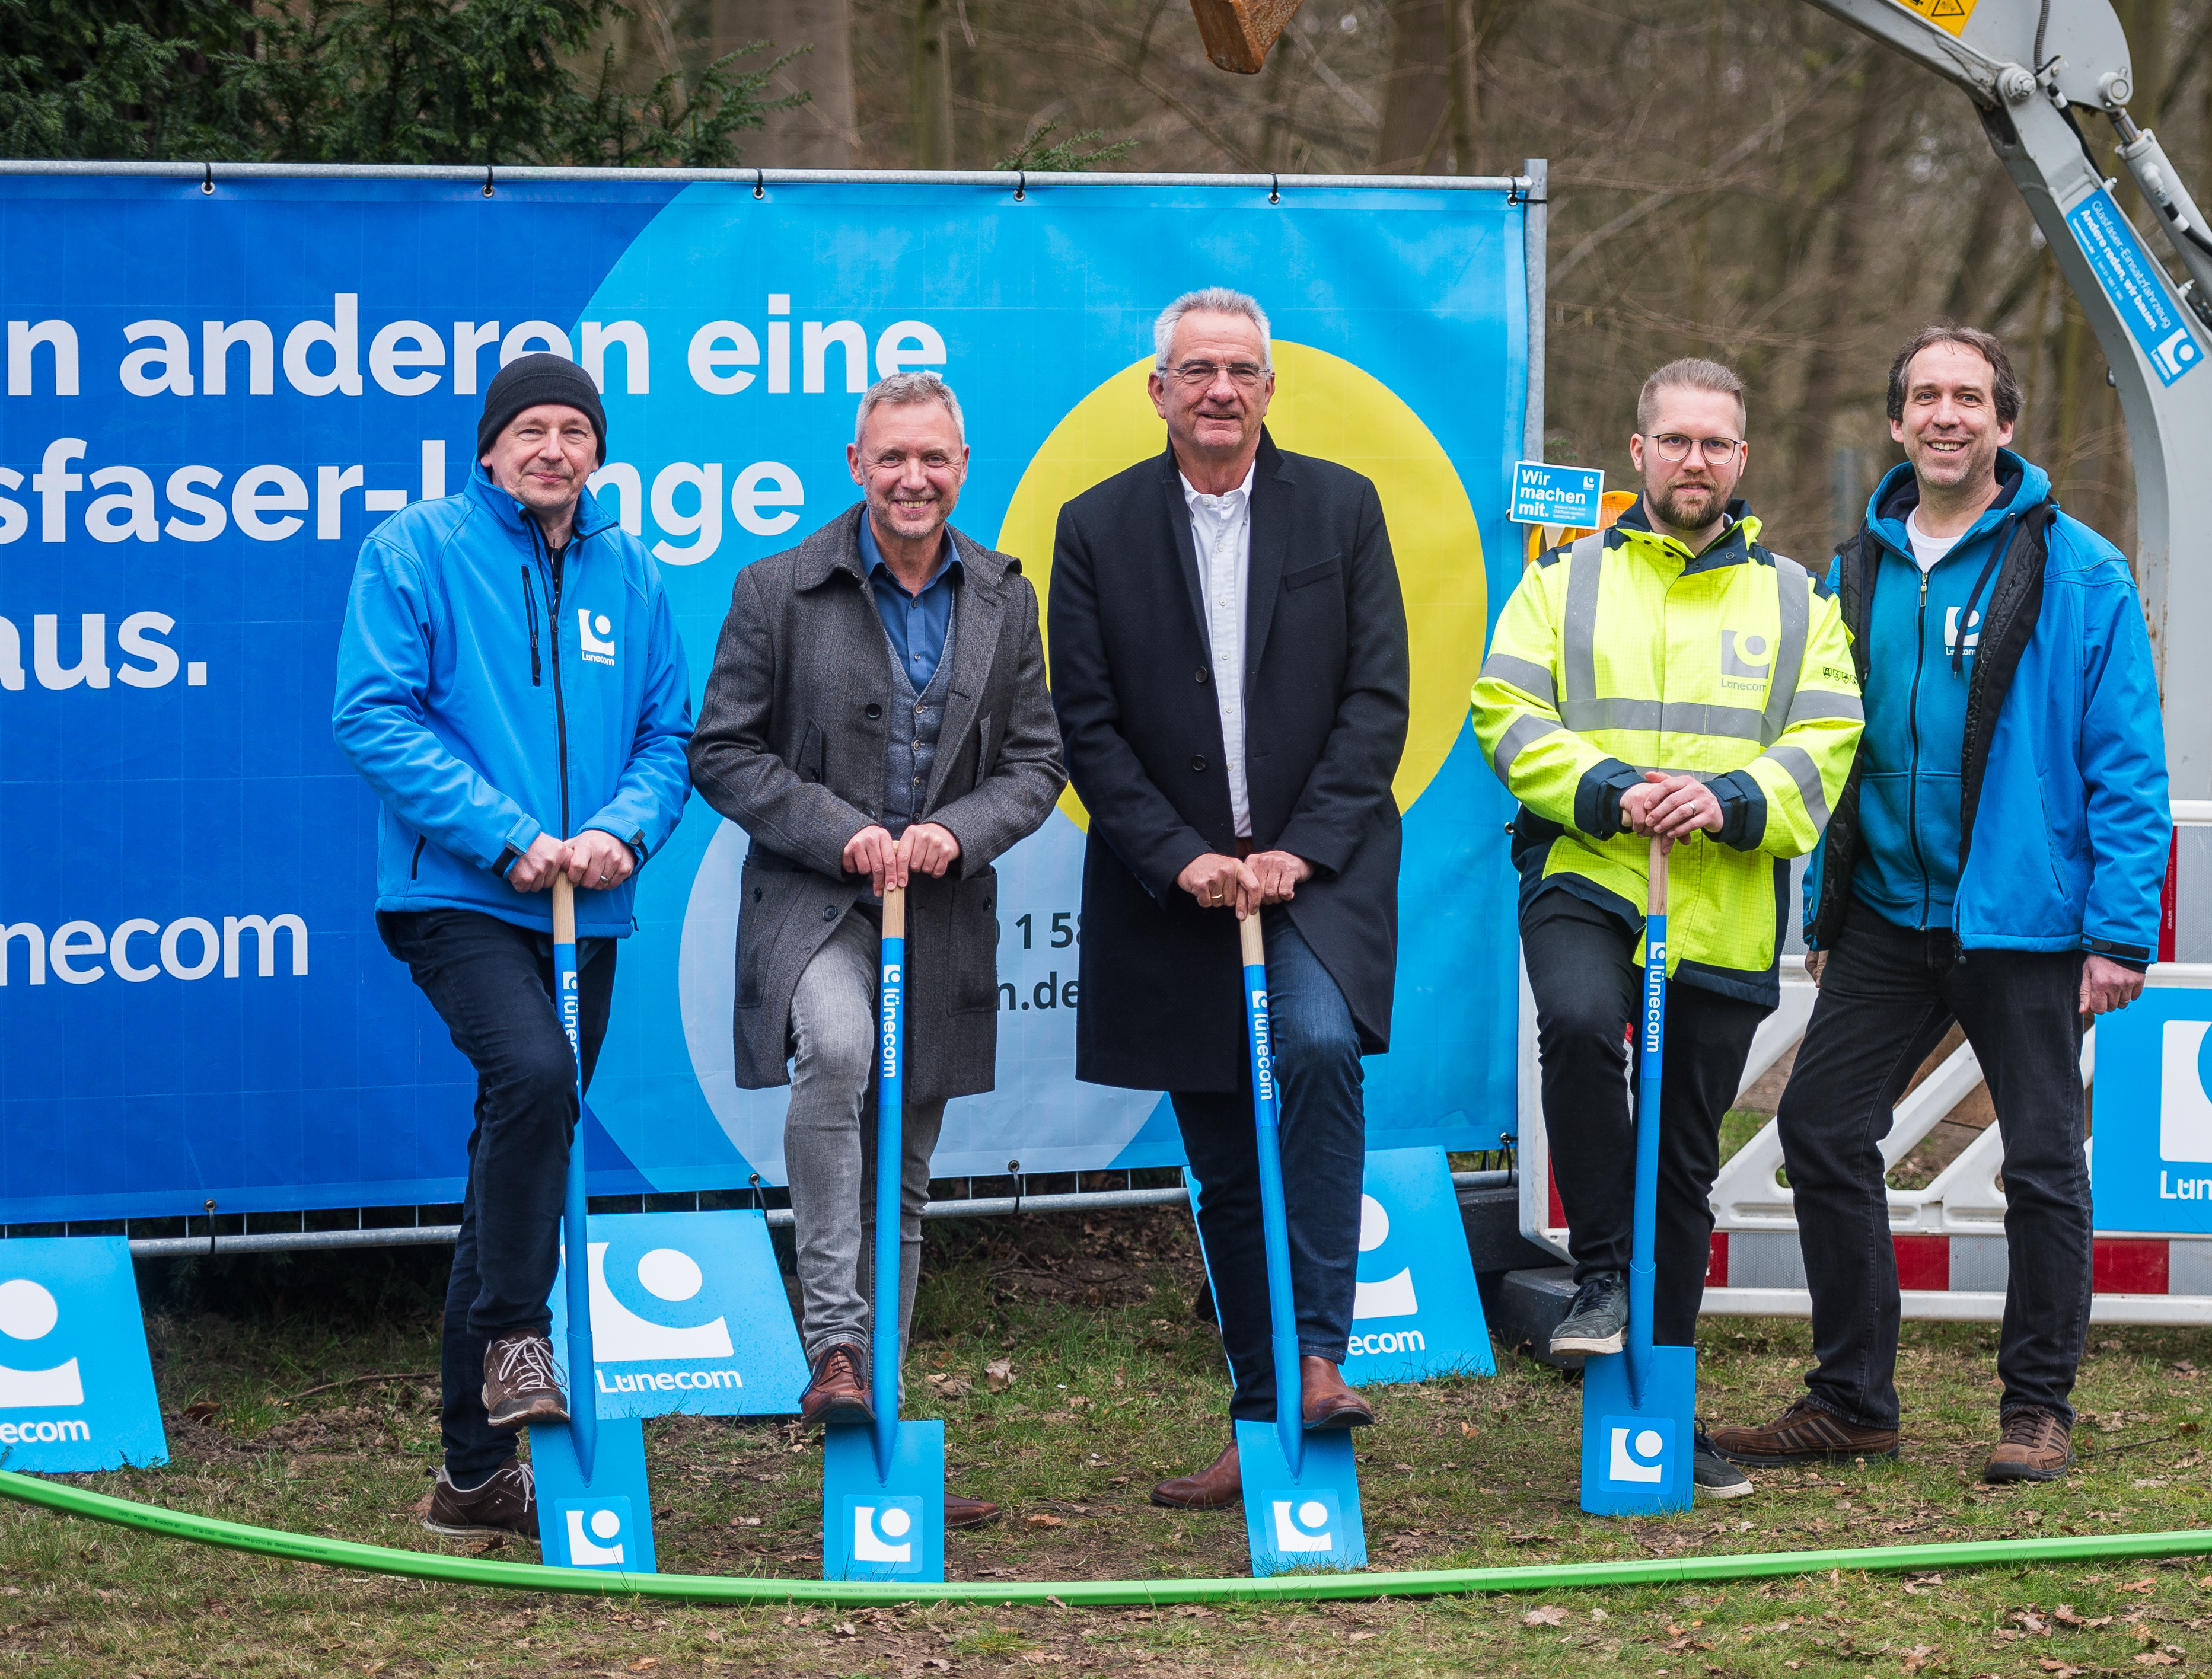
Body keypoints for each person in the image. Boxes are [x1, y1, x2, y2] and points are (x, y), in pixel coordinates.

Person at [1707, 326, 2170, 1484]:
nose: (1947, 415)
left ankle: (2038, 1409)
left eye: (1970, 397)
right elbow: (1831, 751)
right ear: (1899, 422)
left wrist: (2121, 929)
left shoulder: (2082, 570)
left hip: (2025, 923)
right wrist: (1827, 907)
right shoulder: (1851, 571)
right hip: (1887, 917)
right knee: (1818, 1129)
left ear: (2005, 424)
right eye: (1926, 396)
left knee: (2044, 1163)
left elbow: (2127, 761)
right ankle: (1854, 1399)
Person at [1472, 357, 1862, 1502]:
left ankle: (1661, 1410)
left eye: (1717, 444)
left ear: (1742, 461)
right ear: (1637, 453)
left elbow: (1828, 739)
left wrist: (1733, 800)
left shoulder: (1799, 600)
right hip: (1590, 870)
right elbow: (1505, 706)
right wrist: (1604, 788)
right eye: (1675, 441)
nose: (1695, 461)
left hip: (1725, 905)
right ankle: (1600, 1273)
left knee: (1681, 1162)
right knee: (1584, 1029)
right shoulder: (1563, 580)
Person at [1047, 287, 1408, 1511]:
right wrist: (1179, 855)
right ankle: (1264, 1420)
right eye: (1195, 369)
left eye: (1241, 369)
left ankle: (1318, 1358)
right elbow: (1085, 727)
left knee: (1311, 1051)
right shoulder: (1094, 528)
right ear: (1159, 390)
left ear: (1268, 388)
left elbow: (1377, 701)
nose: (1219, 388)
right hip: (1175, 888)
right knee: (1221, 1152)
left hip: (1318, 873)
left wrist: (1298, 850)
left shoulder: (1344, 510)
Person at [690, 372, 1065, 1535]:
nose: (914, 478)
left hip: (940, 918)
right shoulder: (777, 590)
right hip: (815, 908)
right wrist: (837, 832)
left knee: (904, 1161)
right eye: (892, 457)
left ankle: (880, 1422)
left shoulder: (1005, 596)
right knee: (842, 1050)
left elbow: (1037, 763)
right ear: (857, 464)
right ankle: (837, 1347)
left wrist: (959, 831)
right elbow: (723, 751)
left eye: (935, 460)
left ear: (963, 467)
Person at [333, 352, 695, 1541]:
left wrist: (618, 830)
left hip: (586, 903)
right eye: (530, 429)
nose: (553, 448)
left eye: (574, 431)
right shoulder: (416, 550)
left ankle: (474, 1474)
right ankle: (513, 1337)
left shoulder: (631, 571)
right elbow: (372, 711)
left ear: (598, 451)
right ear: (489, 449)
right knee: (534, 1076)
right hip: (462, 895)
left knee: (519, 1143)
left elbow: (666, 732)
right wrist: (508, 837)